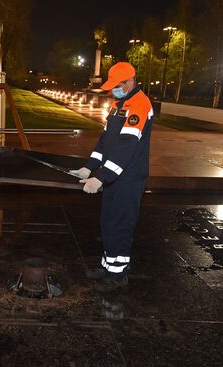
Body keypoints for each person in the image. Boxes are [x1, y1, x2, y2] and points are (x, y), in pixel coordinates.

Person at [70, 62, 153, 292]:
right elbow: (105, 141)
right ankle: (108, 268)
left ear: (128, 82)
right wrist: (89, 168)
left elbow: (127, 146)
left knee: (121, 225)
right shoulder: (119, 104)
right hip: (113, 176)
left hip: (129, 179)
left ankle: (118, 276)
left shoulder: (139, 105)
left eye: (116, 86)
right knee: (108, 222)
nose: (111, 91)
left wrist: (102, 177)